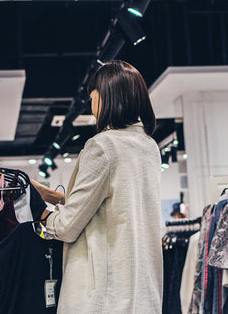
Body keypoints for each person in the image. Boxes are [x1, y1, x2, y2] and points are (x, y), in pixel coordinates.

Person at [32, 60, 163, 313]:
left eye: (93, 98)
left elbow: (67, 227)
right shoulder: (148, 147)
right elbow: (112, 204)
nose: (92, 108)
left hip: (102, 298)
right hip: (141, 294)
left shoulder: (102, 146)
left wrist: (37, 207)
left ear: (106, 97)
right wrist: (55, 197)